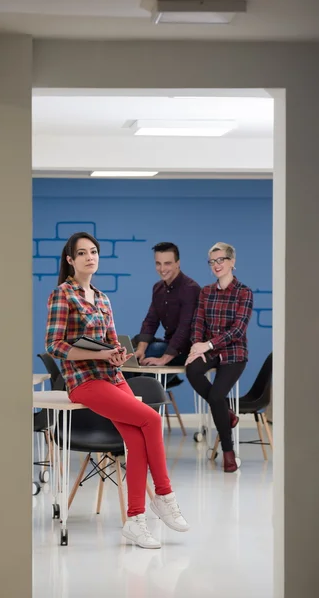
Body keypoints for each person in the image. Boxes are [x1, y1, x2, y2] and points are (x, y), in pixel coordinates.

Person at [45, 231, 190, 549]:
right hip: (84, 382)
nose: (90, 257)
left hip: (113, 376)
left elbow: (111, 342)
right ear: (70, 260)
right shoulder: (63, 295)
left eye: (93, 251)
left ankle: (135, 522)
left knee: (136, 440)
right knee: (151, 419)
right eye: (82, 253)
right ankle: (164, 495)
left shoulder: (102, 297)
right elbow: (54, 345)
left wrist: (116, 353)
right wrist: (99, 355)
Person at [185, 242, 253, 473]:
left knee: (215, 395)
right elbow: (198, 322)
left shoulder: (244, 292)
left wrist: (208, 344)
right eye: (212, 261)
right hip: (209, 350)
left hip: (234, 352)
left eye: (221, 260)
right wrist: (196, 347)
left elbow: (238, 330)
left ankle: (228, 450)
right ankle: (226, 413)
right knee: (192, 370)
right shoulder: (206, 292)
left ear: (232, 262)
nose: (216, 265)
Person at [133, 242, 200, 384]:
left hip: (188, 350)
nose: (162, 269)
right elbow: (150, 321)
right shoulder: (158, 288)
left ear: (178, 263)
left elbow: (185, 329)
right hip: (168, 345)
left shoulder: (190, 289)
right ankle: (132, 397)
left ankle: (143, 395)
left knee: (154, 350)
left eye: (167, 263)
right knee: (131, 355)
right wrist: (140, 350)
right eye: (158, 263)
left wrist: (163, 359)